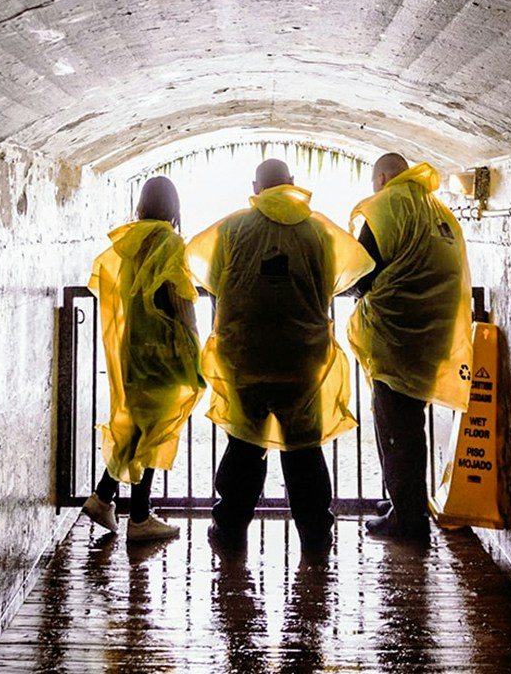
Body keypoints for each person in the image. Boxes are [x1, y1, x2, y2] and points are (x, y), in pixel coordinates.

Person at [185, 158, 373, 557]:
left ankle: (230, 529)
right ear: (292, 183)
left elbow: (218, 283)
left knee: (244, 447)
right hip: (302, 359)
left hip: (245, 358)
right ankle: (316, 536)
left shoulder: (232, 229)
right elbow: (328, 285)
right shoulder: (318, 231)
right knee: (304, 451)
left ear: (255, 186)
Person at [347, 153, 473, 540]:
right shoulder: (437, 209)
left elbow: (359, 273)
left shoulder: (386, 207)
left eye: (374, 182)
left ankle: (408, 520)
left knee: (396, 426)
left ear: (382, 178)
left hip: (396, 336)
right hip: (433, 336)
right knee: (410, 422)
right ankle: (406, 501)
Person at [82, 176, 206, 542]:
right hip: (163, 349)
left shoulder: (127, 243)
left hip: (132, 347)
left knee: (138, 427)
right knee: (154, 429)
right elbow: (179, 295)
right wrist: (193, 340)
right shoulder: (169, 243)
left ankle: (105, 499)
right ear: (173, 208)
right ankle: (138, 517)